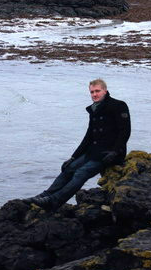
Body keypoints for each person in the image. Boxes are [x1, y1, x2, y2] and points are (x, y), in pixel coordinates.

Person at [26, 79, 131, 211]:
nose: (94, 94)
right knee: (69, 168)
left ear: (105, 90)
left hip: (110, 153)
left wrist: (115, 152)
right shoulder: (94, 109)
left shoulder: (118, 105)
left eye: (97, 91)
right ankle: (45, 195)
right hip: (94, 151)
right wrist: (73, 157)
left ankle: (54, 201)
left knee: (81, 173)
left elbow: (125, 132)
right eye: (92, 92)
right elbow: (88, 136)